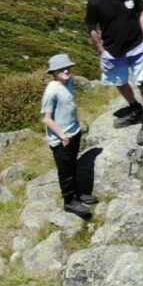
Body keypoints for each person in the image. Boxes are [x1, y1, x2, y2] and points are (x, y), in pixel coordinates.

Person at [85, 0, 143, 142]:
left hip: (138, 46)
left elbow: (141, 13)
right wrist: (101, 49)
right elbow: (91, 27)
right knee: (119, 81)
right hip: (113, 51)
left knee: (142, 81)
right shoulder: (95, 2)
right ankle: (134, 108)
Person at [40, 53, 93, 219]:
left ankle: (78, 194)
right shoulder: (51, 91)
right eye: (61, 69)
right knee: (65, 172)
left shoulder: (69, 82)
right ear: (54, 72)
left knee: (73, 165)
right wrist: (62, 135)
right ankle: (69, 201)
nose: (66, 70)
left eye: (67, 67)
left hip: (73, 132)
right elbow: (46, 119)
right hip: (61, 138)